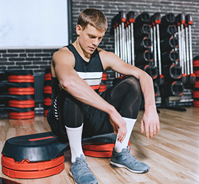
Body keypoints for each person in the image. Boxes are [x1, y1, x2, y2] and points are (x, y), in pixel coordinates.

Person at [47, 8, 160, 184]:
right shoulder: (62, 55)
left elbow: (143, 75)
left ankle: (120, 153)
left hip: (91, 120)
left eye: (99, 38)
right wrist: (111, 110)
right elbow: (68, 82)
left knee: (132, 84)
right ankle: (77, 160)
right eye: (91, 36)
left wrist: (151, 108)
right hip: (63, 121)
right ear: (78, 29)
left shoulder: (104, 57)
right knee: (72, 93)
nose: (95, 42)